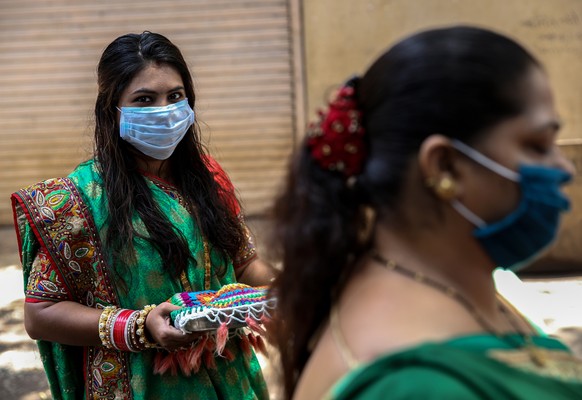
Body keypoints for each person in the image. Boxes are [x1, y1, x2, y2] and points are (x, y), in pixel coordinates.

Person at [271, 26, 582, 399]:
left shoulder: (446, 283)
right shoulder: (415, 384)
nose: (565, 169)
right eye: (538, 145)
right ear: (444, 167)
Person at [11, 31, 276, 400]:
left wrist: (284, 290)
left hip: (227, 377)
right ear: (112, 109)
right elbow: (40, 315)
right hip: (135, 385)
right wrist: (140, 326)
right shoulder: (74, 204)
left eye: (175, 96)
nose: (164, 111)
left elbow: (245, 265)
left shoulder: (209, 180)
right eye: (144, 99)